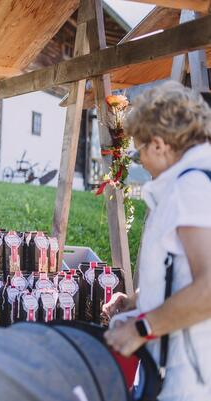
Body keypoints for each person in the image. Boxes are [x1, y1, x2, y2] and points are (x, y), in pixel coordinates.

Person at [103, 81, 211, 400]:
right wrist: (136, 300)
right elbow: (182, 271)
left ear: (160, 145)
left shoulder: (191, 188)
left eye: (139, 151)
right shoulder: (192, 182)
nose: (141, 161)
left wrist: (140, 328)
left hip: (192, 376)